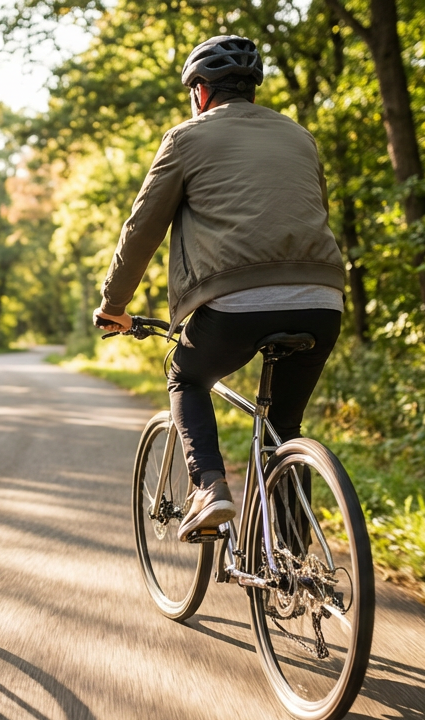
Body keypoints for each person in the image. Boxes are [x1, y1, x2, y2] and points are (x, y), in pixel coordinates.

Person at [93, 35, 345, 542]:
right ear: (251, 91)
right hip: (323, 300)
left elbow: (141, 230)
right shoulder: (300, 136)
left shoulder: (185, 138)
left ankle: (209, 487)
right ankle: (291, 554)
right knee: (284, 427)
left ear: (201, 93)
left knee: (187, 377)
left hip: (233, 303)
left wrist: (113, 305)